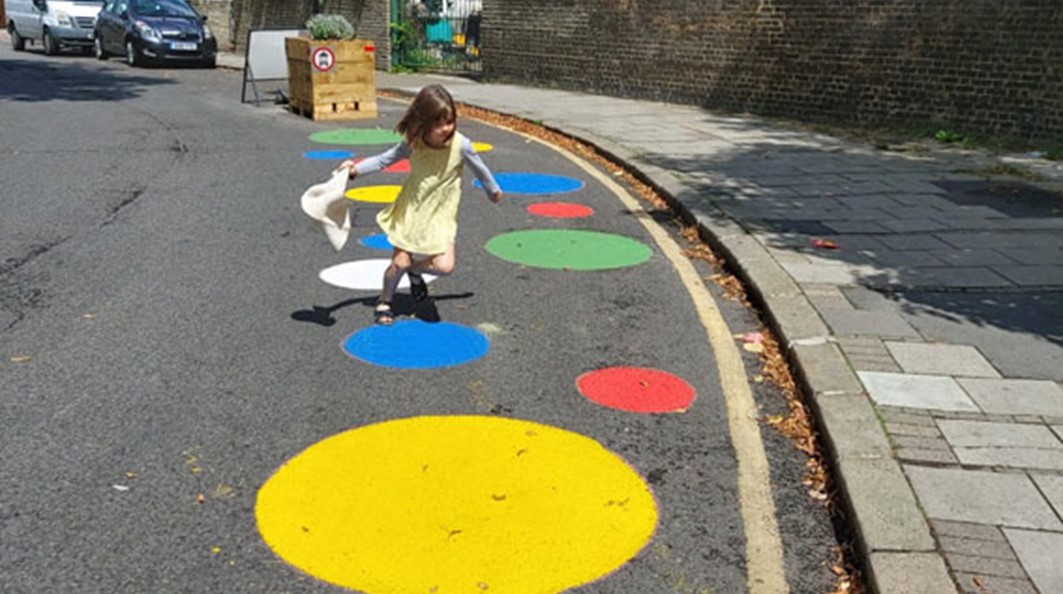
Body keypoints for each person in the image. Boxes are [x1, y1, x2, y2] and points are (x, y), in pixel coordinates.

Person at [341, 84, 503, 325]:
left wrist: (493, 190)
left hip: (441, 212)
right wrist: (355, 170)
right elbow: (384, 159)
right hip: (412, 208)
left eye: (450, 121)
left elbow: (480, 169)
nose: (446, 128)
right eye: (439, 124)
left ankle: (415, 271)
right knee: (398, 262)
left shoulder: (461, 145)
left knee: (445, 266)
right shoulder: (414, 142)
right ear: (424, 122)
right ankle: (385, 300)